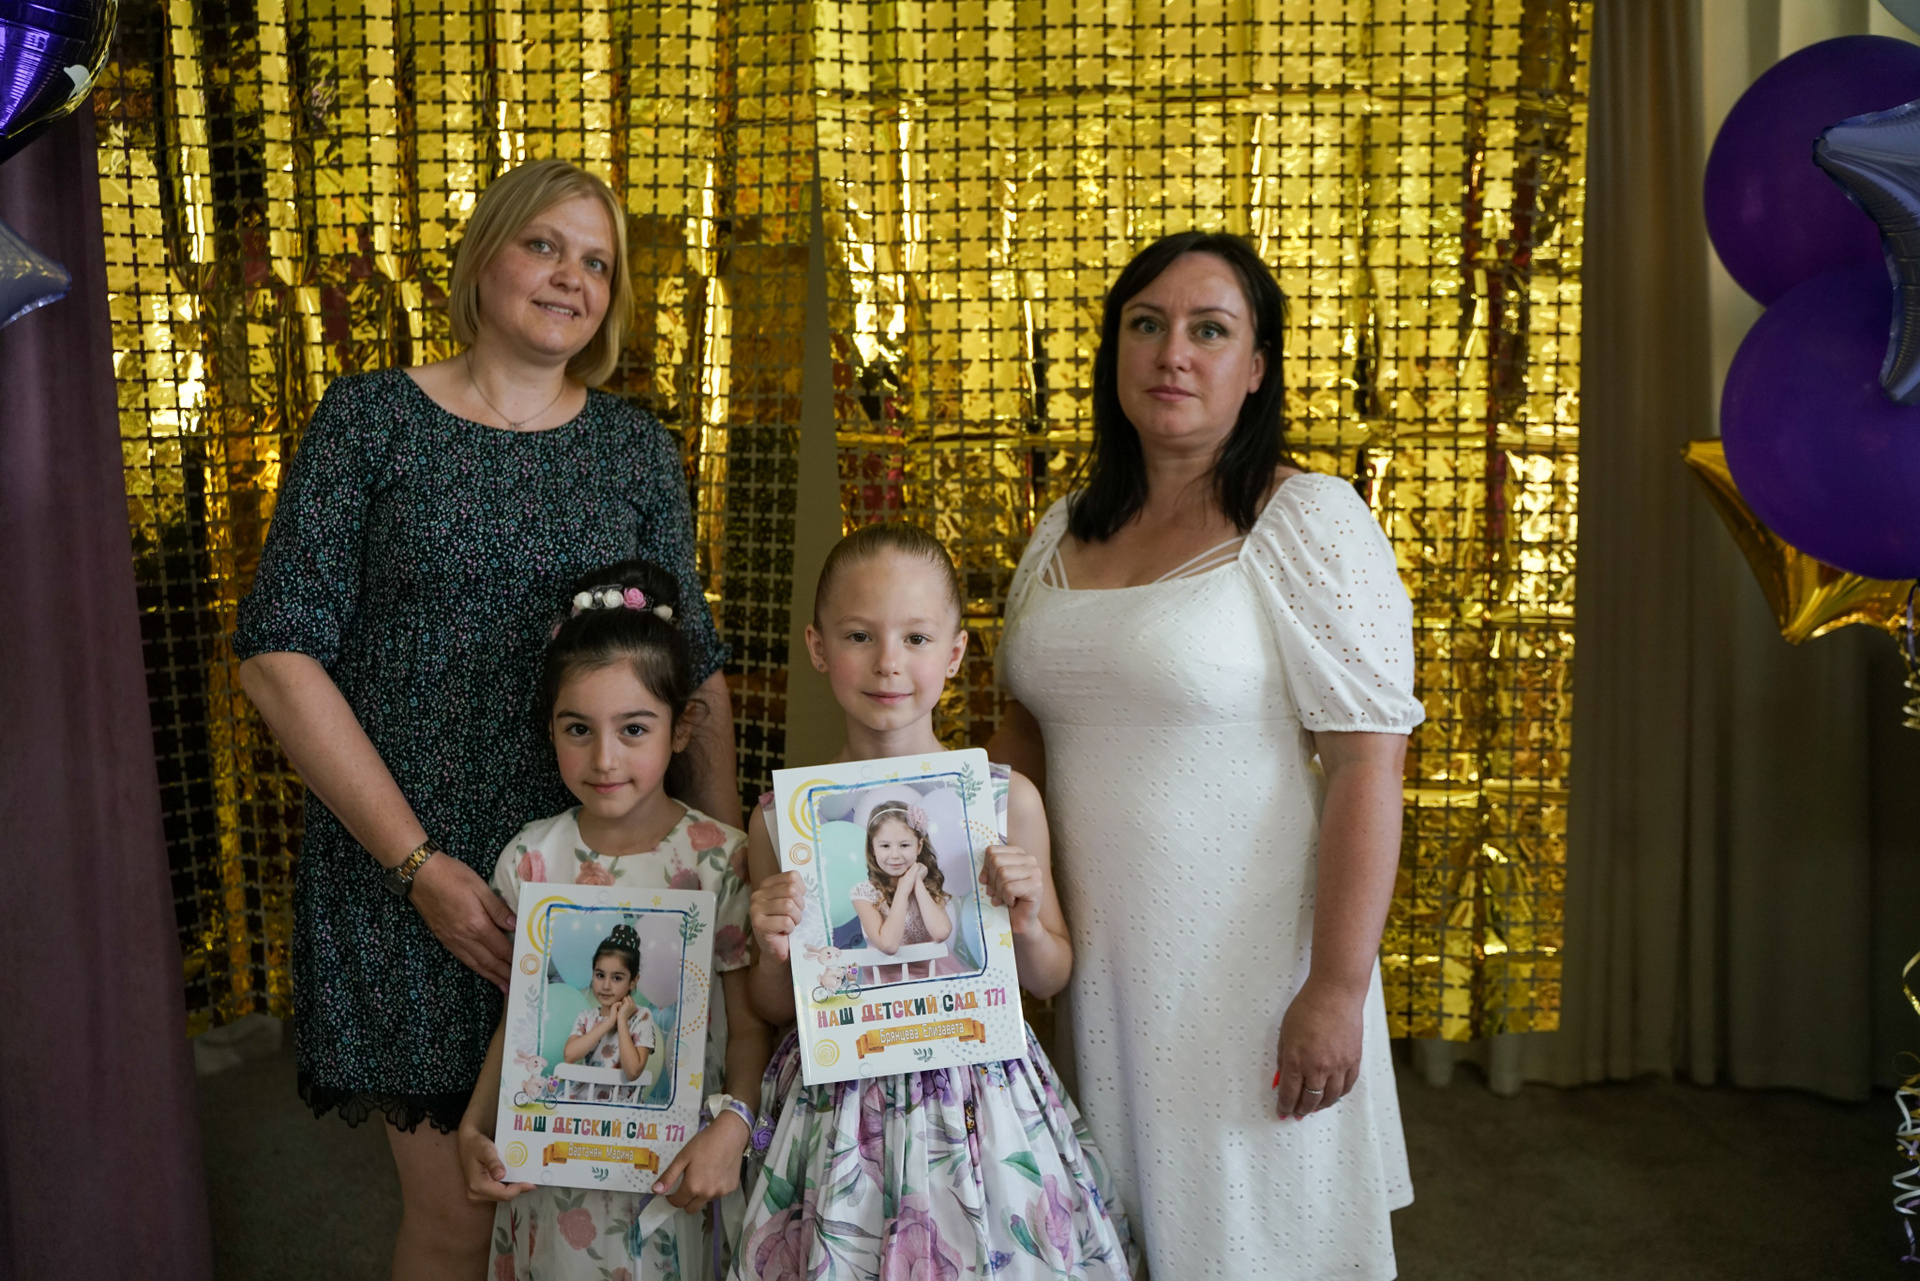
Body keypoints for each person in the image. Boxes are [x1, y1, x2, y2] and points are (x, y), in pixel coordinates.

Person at [232, 158, 739, 1280]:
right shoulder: (371, 420)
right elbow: (277, 656)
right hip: (415, 880)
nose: (571, 277)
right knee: (464, 1212)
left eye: (597, 262)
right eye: (544, 245)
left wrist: (726, 864)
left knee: (620, 1209)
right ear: (482, 258)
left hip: (608, 882)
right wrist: (419, 869)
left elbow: (693, 672)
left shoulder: (633, 448)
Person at [991, 231, 1424, 1280]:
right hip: (1094, 966)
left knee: (1257, 1240)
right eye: (1147, 325)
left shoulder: (1305, 518)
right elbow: (1019, 737)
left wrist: (1336, 986)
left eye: (1209, 329)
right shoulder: (1060, 528)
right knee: (1117, 1233)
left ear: (1257, 366)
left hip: (1248, 969)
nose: (1172, 353)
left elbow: (1369, 765)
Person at [734, 523, 1136, 1280]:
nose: (889, 662)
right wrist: (773, 945)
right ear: (818, 647)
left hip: (979, 1097)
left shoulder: (1005, 801)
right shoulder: (780, 822)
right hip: (839, 1109)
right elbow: (773, 1004)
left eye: (916, 638)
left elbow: (1050, 973)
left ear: (954, 653)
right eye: (860, 635)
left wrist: (1026, 918)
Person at [459, 558, 769, 1280]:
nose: (604, 758)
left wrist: (735, 1128)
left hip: (681, 1165)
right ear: (551, 728)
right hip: (557, 1172)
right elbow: (521, 1021)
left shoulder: (721, 861)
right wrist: (476, 1125)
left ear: (680, 727)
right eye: (578, 728)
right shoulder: (532, 860)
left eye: (634, 728)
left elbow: (751, 1027)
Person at [850, 800, 958, 982]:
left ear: (919, 847)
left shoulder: (929, 885)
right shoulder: (863, 893)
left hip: (931, 975)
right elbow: (889, 945)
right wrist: (903, 887)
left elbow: (940, 932)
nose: (895, 855)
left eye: (904, 845)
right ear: (872, 848)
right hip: (887, 981)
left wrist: (917, 882)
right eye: (885, 846)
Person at [564, 924, 655, 1102]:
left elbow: (633, 1071)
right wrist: (608, 1022)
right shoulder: (586, 1017)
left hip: (621, 1108)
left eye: (617, 978)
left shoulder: (641, 1017)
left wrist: (621, 1020)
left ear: (633, 981)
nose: (606, 986)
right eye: (600, 975)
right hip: (583, 1102)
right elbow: (569, 1055)